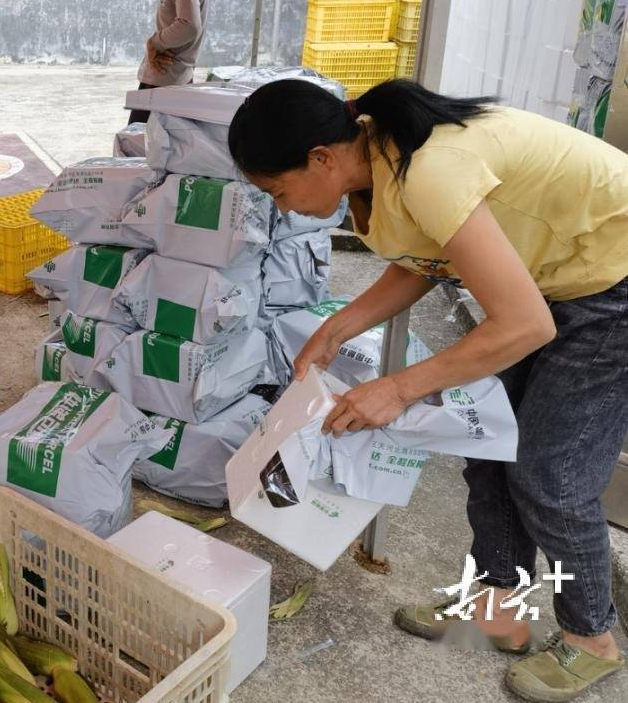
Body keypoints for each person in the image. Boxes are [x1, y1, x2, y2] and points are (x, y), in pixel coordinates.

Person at [228, 78, 628, 703]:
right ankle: (499, 608)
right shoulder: (381, 155)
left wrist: (399, 389)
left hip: (613, 283)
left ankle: (593, 638)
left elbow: (524, 324)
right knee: (494, 449)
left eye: (278, 191)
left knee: (551, 474)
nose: (281, 208)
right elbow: (427, 258)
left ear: (321, 159)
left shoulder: (429, 168)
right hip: (555, 281)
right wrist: (336, 329)